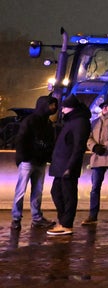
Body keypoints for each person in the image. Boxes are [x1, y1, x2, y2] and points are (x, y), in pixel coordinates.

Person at [10, 94, 59, 229]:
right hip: (28, 161)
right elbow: (20, 140)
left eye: (54, 105)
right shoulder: (31, 121)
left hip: (40, 161)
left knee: (37, 191)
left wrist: (47, 157)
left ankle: (36, 217)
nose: (53, 108)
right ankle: (16, 217)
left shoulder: (48, 124)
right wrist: (23, 158)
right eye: (51, 105)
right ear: (43, 105)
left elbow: (49, 143)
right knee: (21, 191)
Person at [46, 94, 91, 236]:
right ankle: (63, 221)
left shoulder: (80, 122)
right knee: (56, 192)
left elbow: (78, 146)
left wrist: (70, 167)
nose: (62, 110)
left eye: (64, 107)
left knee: (68, 195)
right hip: (61, 165)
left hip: (67, 165)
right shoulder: (72, 121)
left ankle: (66, 224)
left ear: (71, 108)